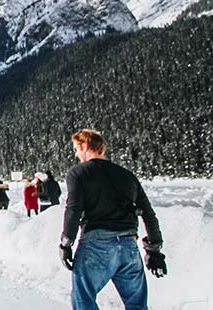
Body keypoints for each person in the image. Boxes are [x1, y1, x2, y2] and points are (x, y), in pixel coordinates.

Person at [59, 129, 166, 310]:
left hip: (96, 245)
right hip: (128, 247)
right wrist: (154, 249)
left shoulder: (78, 173)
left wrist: (66, 243)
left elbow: (74, 209)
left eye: (76, 148)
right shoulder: (127, 175)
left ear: (85, 146)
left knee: (84, 299)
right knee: (137, 305)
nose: (76, 153)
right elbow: (148, 213)